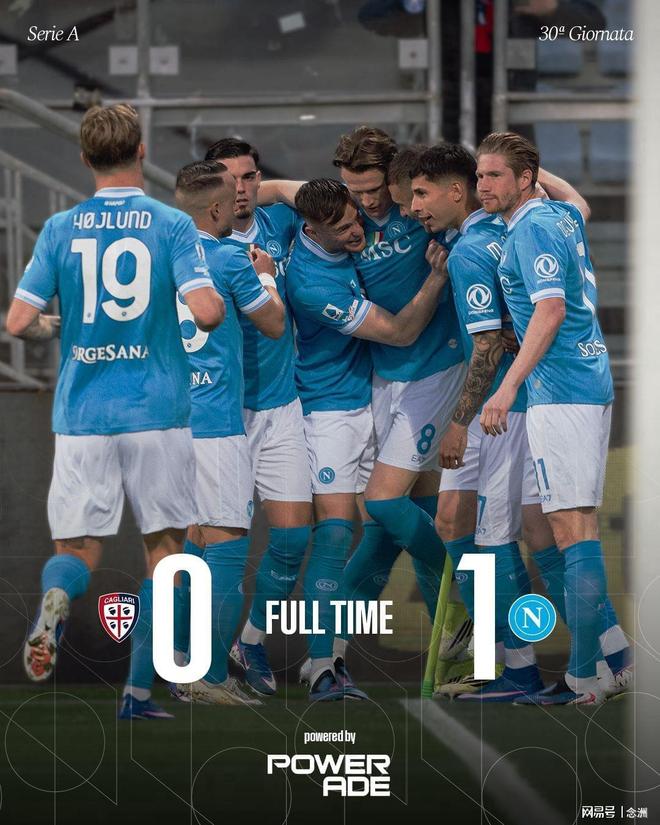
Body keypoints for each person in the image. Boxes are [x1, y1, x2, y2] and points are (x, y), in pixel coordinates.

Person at [6, 104, 224, 720]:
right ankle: (139, 691)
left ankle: (55, 602)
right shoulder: (171, 224)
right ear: (142, 150)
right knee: (167, 550)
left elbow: (18, 322)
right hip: (157, 410)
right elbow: (207, 313)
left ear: (84, 158)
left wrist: (62, 326)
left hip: (83, 415)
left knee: (77, 548)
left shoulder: (60, 228)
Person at [476, 131, 632, 705]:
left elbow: (550, 309)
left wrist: (506, 387)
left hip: (561, 388)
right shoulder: (560, 217)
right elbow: (579, 202)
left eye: (495, 175)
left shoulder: (533, 228)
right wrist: (535, 172)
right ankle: (610, 666)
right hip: (584, 381)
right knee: (574, 527)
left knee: (572, 531)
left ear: (524, 180)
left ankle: (585, 678)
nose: (482, 186)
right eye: (479, 175)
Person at [286, 179, 449, 701]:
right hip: (330, 409)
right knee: (337, 535)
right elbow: (400, 331)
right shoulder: (311, 284)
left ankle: (447, 646)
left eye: (355, 216)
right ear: (313, 230)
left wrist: (256, 185)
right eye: (343, 228)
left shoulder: (319, 209)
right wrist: (437, 279)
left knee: (384, 533)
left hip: (377, 394)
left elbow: (279, 189)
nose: (358, 230)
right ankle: (321, 666)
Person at [332, 127, 466, 636]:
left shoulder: (421, 211)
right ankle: (453, 642)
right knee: (417, 511)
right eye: (355, 190)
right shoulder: (344, 216)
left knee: (384, 503)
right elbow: (278, 189)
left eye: (374, 189)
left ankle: (468, 595)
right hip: (384, 377)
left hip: (436, 371)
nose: (367, 201)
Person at [172, 160, 285, 705]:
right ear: (217, 208)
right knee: (228, 548)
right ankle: (210, 675)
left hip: (169, 421)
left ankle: (179, 659)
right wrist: (265, 274)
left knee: (194, 540)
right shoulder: (227, 257)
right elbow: (274, 323)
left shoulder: (159, 257)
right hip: (216, 422)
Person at [202, 139, 312, 697]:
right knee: (207, 543)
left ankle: (250, 641)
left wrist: (273, 190)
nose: (240, 189)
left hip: (281, 404)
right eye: (227, 179)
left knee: (293, 537)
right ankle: (190, 656)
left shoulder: (279, 225)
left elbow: (323, 197)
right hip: (221, 412)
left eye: (248, 177)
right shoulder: (196, 247)